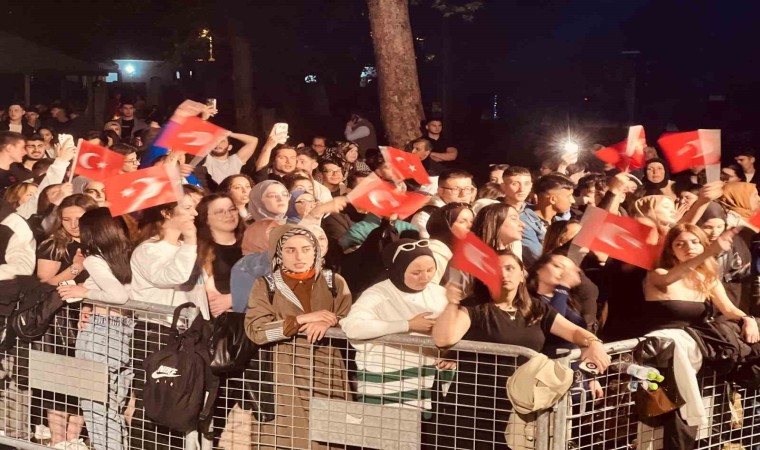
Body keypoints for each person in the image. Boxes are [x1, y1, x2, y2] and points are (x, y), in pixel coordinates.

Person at [432, 251, 611, 449]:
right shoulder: (475, 307)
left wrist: (593, 342)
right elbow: (443, 339)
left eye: (509, 268)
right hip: (474, 407)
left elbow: (574, 331)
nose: (503, 274)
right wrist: (452, 303)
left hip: (520, 406)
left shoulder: (536, 308)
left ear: (522, 274)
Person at [244, 225, 352, 449]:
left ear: (316, 251)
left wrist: (330, 321)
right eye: (290, 250)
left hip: (326, 367)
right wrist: (301, 320)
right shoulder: (266, 285)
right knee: (286, 437)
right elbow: (257, 331)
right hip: (284, 368)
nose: (299, 256)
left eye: (306, 249)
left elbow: (351, 320)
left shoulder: (334, 282)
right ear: (278, 253)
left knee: (328, 436)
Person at [340, 239, 452, 418]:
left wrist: (452, 355)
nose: (425, 277)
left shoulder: (439, 293)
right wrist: (407, 325)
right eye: (416, 272)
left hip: (429, 383)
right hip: (387, 383)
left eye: (430, 270)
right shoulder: (377, 294)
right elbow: (353, 327)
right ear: (398, 269)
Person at [129, 194, 206, 449]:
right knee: (157, 403)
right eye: (187, 208)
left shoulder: (186, 248)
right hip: (156, 332)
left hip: (187, 336)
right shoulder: (148, 250)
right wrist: (191, 241)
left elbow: (197, 293)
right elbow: (173, 275)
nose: (195, 214)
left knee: (182, 403)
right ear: (166, 212)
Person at [56, 208, 134, 450]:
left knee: (96, 408)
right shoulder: (128, 255)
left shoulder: (94, 259)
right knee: (112, 407)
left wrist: (84, 292)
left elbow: (118, 295)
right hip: (125, 330)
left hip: (100, 332)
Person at [36, 194, 98, 447]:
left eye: (79, 219)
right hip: (60, 320)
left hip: (92, 318)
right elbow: (44, 283)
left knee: (85, 379)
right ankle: (58, 439)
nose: (73, 225)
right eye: (66, 219)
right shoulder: (54, 245)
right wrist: (75, 267)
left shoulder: (102, 243)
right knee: (58, 381)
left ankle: (74, 439)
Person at [643, 224, 759, 340]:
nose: (689, 247)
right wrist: (710, 252)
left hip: (695, 342)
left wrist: (748, 319)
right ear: (672, 251)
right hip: (661, 343)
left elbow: (729, 310)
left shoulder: (707, 278)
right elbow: (669, 278)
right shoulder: (658, 274)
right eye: (679, 244)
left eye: (695, 242)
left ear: (703, 245)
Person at [196, 194, 244, 318]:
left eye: (232, 209)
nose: (228, 215)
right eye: (219, 212)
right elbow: (211, 295)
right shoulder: (200, 250)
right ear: (205, 218)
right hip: (224, 318)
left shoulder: (253, 243)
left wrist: (235, 299)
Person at [520, 173, 575, 266]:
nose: (573, 201)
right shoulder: (524, 223)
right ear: (552, 199)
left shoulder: (559, 222)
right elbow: (539, 259)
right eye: (568, 196)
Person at [410, 169, 476, 238]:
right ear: (440, 191)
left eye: (467, 189)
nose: (463, 194)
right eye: (456, 189)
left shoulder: (472, 213)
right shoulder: (425, 217)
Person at [425, 203, 474, 284]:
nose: (470, 226)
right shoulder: (435, 252)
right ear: (446, 225)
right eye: (462, 222)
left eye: (472, 222)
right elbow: (428, 288)